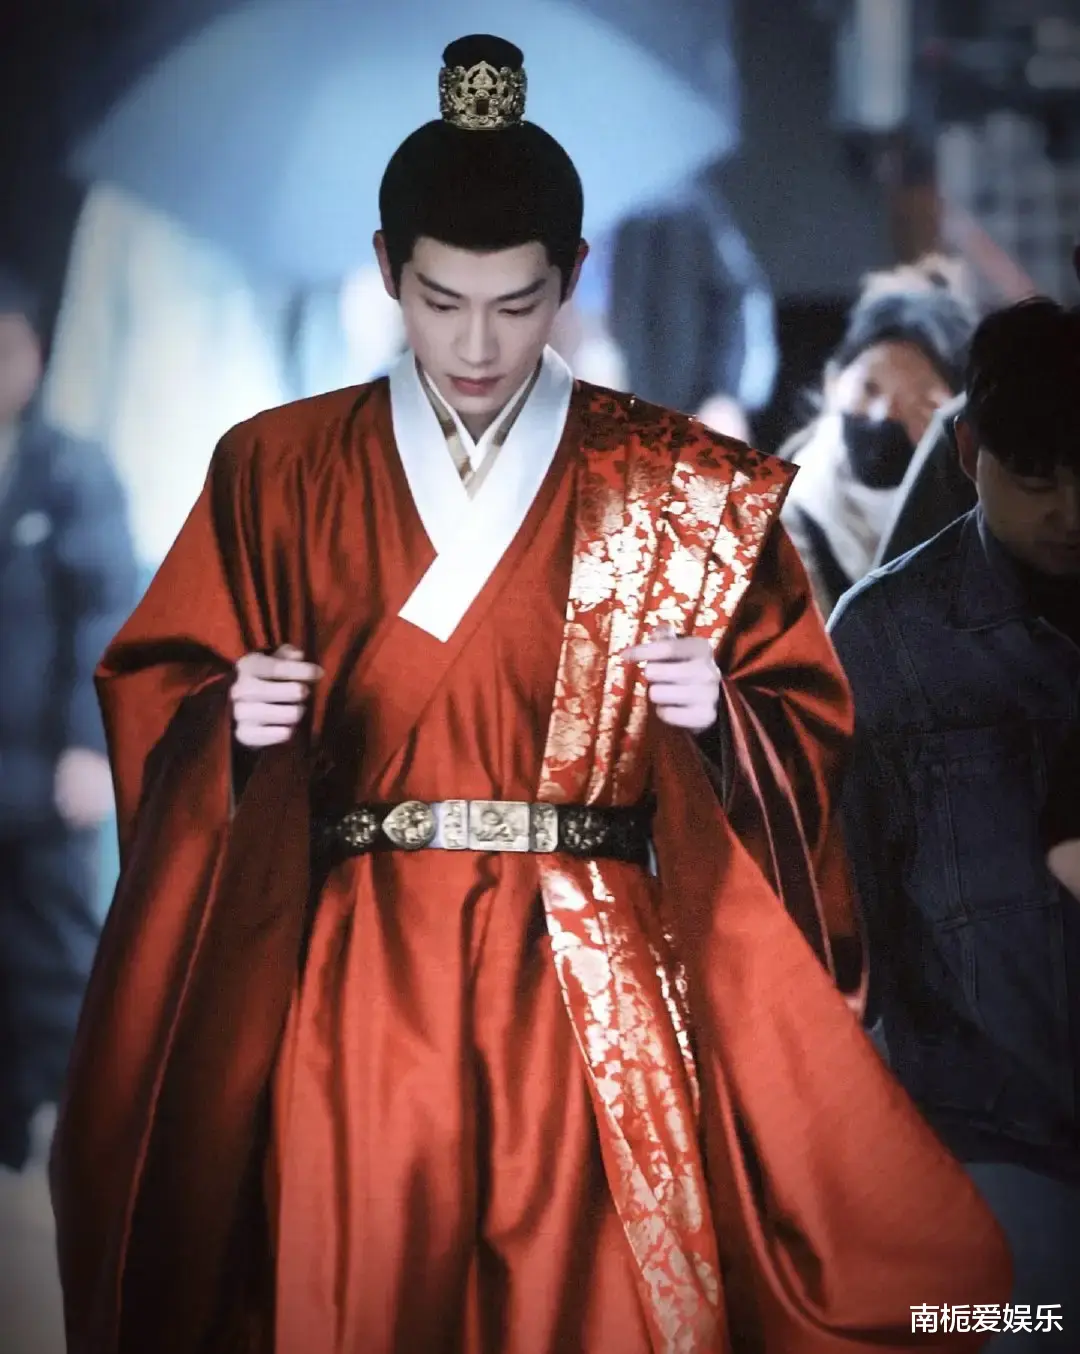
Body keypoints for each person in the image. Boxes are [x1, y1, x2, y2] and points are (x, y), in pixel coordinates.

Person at [50, 36, 1009, 1354]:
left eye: (516, 303)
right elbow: (166, 683)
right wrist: (229, 718)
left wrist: (721, 718)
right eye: (441, 300)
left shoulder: (679, 484)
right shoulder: (276, 470)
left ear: (571, 275)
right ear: (387, 269)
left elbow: (807, 727)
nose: (477, 342)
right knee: (357, 1288)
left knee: (594, 1298)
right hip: (356, 974)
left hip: (595, 971)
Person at [830, 297, 1080, 1349]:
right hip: (980, 1131)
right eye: (1036, 479)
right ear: (971, 451)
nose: (1071, 512)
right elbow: (844, 923)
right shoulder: (887, 640)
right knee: (1006, 1328)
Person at [0, 265, 137, 1172]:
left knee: (51, 957)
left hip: (46, 773)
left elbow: (108, 614)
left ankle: (75, 1145)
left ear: (35, 357)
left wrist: (93, 746)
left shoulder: (69, 470)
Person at [781, 258, 976, 616]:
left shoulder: (980, 519)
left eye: (921, 402)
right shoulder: (785, 514)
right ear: (833, 382)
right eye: (869, 388)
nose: (884, 413)